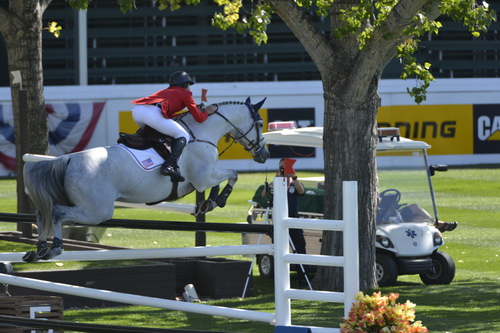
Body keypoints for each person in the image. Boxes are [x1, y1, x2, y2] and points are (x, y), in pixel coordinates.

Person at [131, 71, 215, 182]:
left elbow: (168, 114)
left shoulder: (166, 91)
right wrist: (208, 112)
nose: (189, 88)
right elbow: (200, 118)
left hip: (137, 111)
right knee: (183, 134)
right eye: (189, 85)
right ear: (186, 84)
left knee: (155, 134)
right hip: (152, 113)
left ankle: (149, 159)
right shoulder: (186, 93)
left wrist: (186, 112)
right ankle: (168, 165)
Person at [262, 158, 308, 286]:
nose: (284, 170)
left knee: (299, 248)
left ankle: (302, 277)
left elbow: (301, 191)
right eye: (282, 167)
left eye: (286, 167)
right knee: (278, 249)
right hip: (278, 219)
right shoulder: (276, 182)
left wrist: (294, 177)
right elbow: (264, 194)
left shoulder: (294, 182)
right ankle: (280, 278)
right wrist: (277, 177)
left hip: (293, 218)